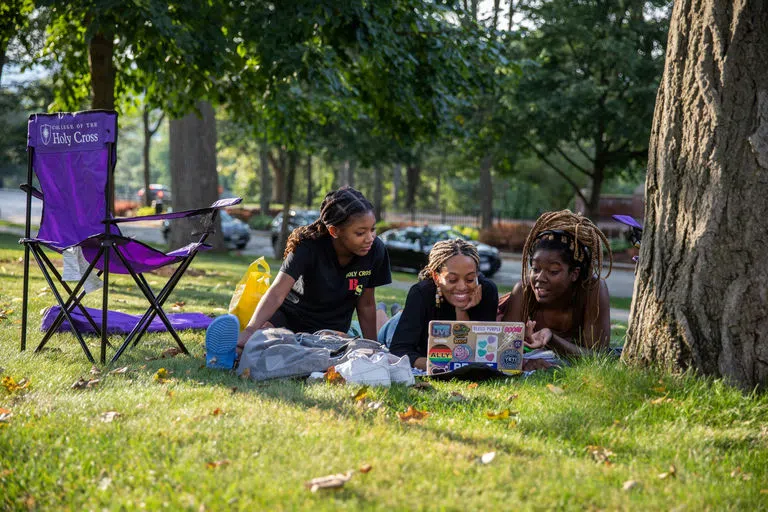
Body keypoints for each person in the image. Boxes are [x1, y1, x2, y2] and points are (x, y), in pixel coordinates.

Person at [203, 186, 392, 367]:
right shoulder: (308, 245)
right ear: (334, 231)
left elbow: (366, 304)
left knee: (328, 356)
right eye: (360, 232)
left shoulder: (375, 251)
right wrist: (251, 330)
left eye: (372, 229)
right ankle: (225, 355)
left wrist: (371, 347)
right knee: (259, 342)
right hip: (289, 319)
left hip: (330, 331)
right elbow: (277, 292)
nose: (370, 238)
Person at [500, 210, 612, 366]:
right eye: (535, 269)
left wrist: (551, 338)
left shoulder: (592, 289)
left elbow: (597, 357)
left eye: (553, 271)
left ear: (574, 273)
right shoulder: (524, 290)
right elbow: (503, 348)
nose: (539, 278)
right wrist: (523, 357)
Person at [388, 238, 499, 370]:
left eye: (470, 279)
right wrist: (441, 366)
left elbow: (476, 354)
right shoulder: (421, 293)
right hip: (396, 330)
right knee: (390, 326)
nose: (462, 287)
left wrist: (461, 310)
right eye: (452, 280)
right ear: (436, 277)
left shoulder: (487, 290)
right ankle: (386, 312)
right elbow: (399, 350)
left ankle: (396, 311)